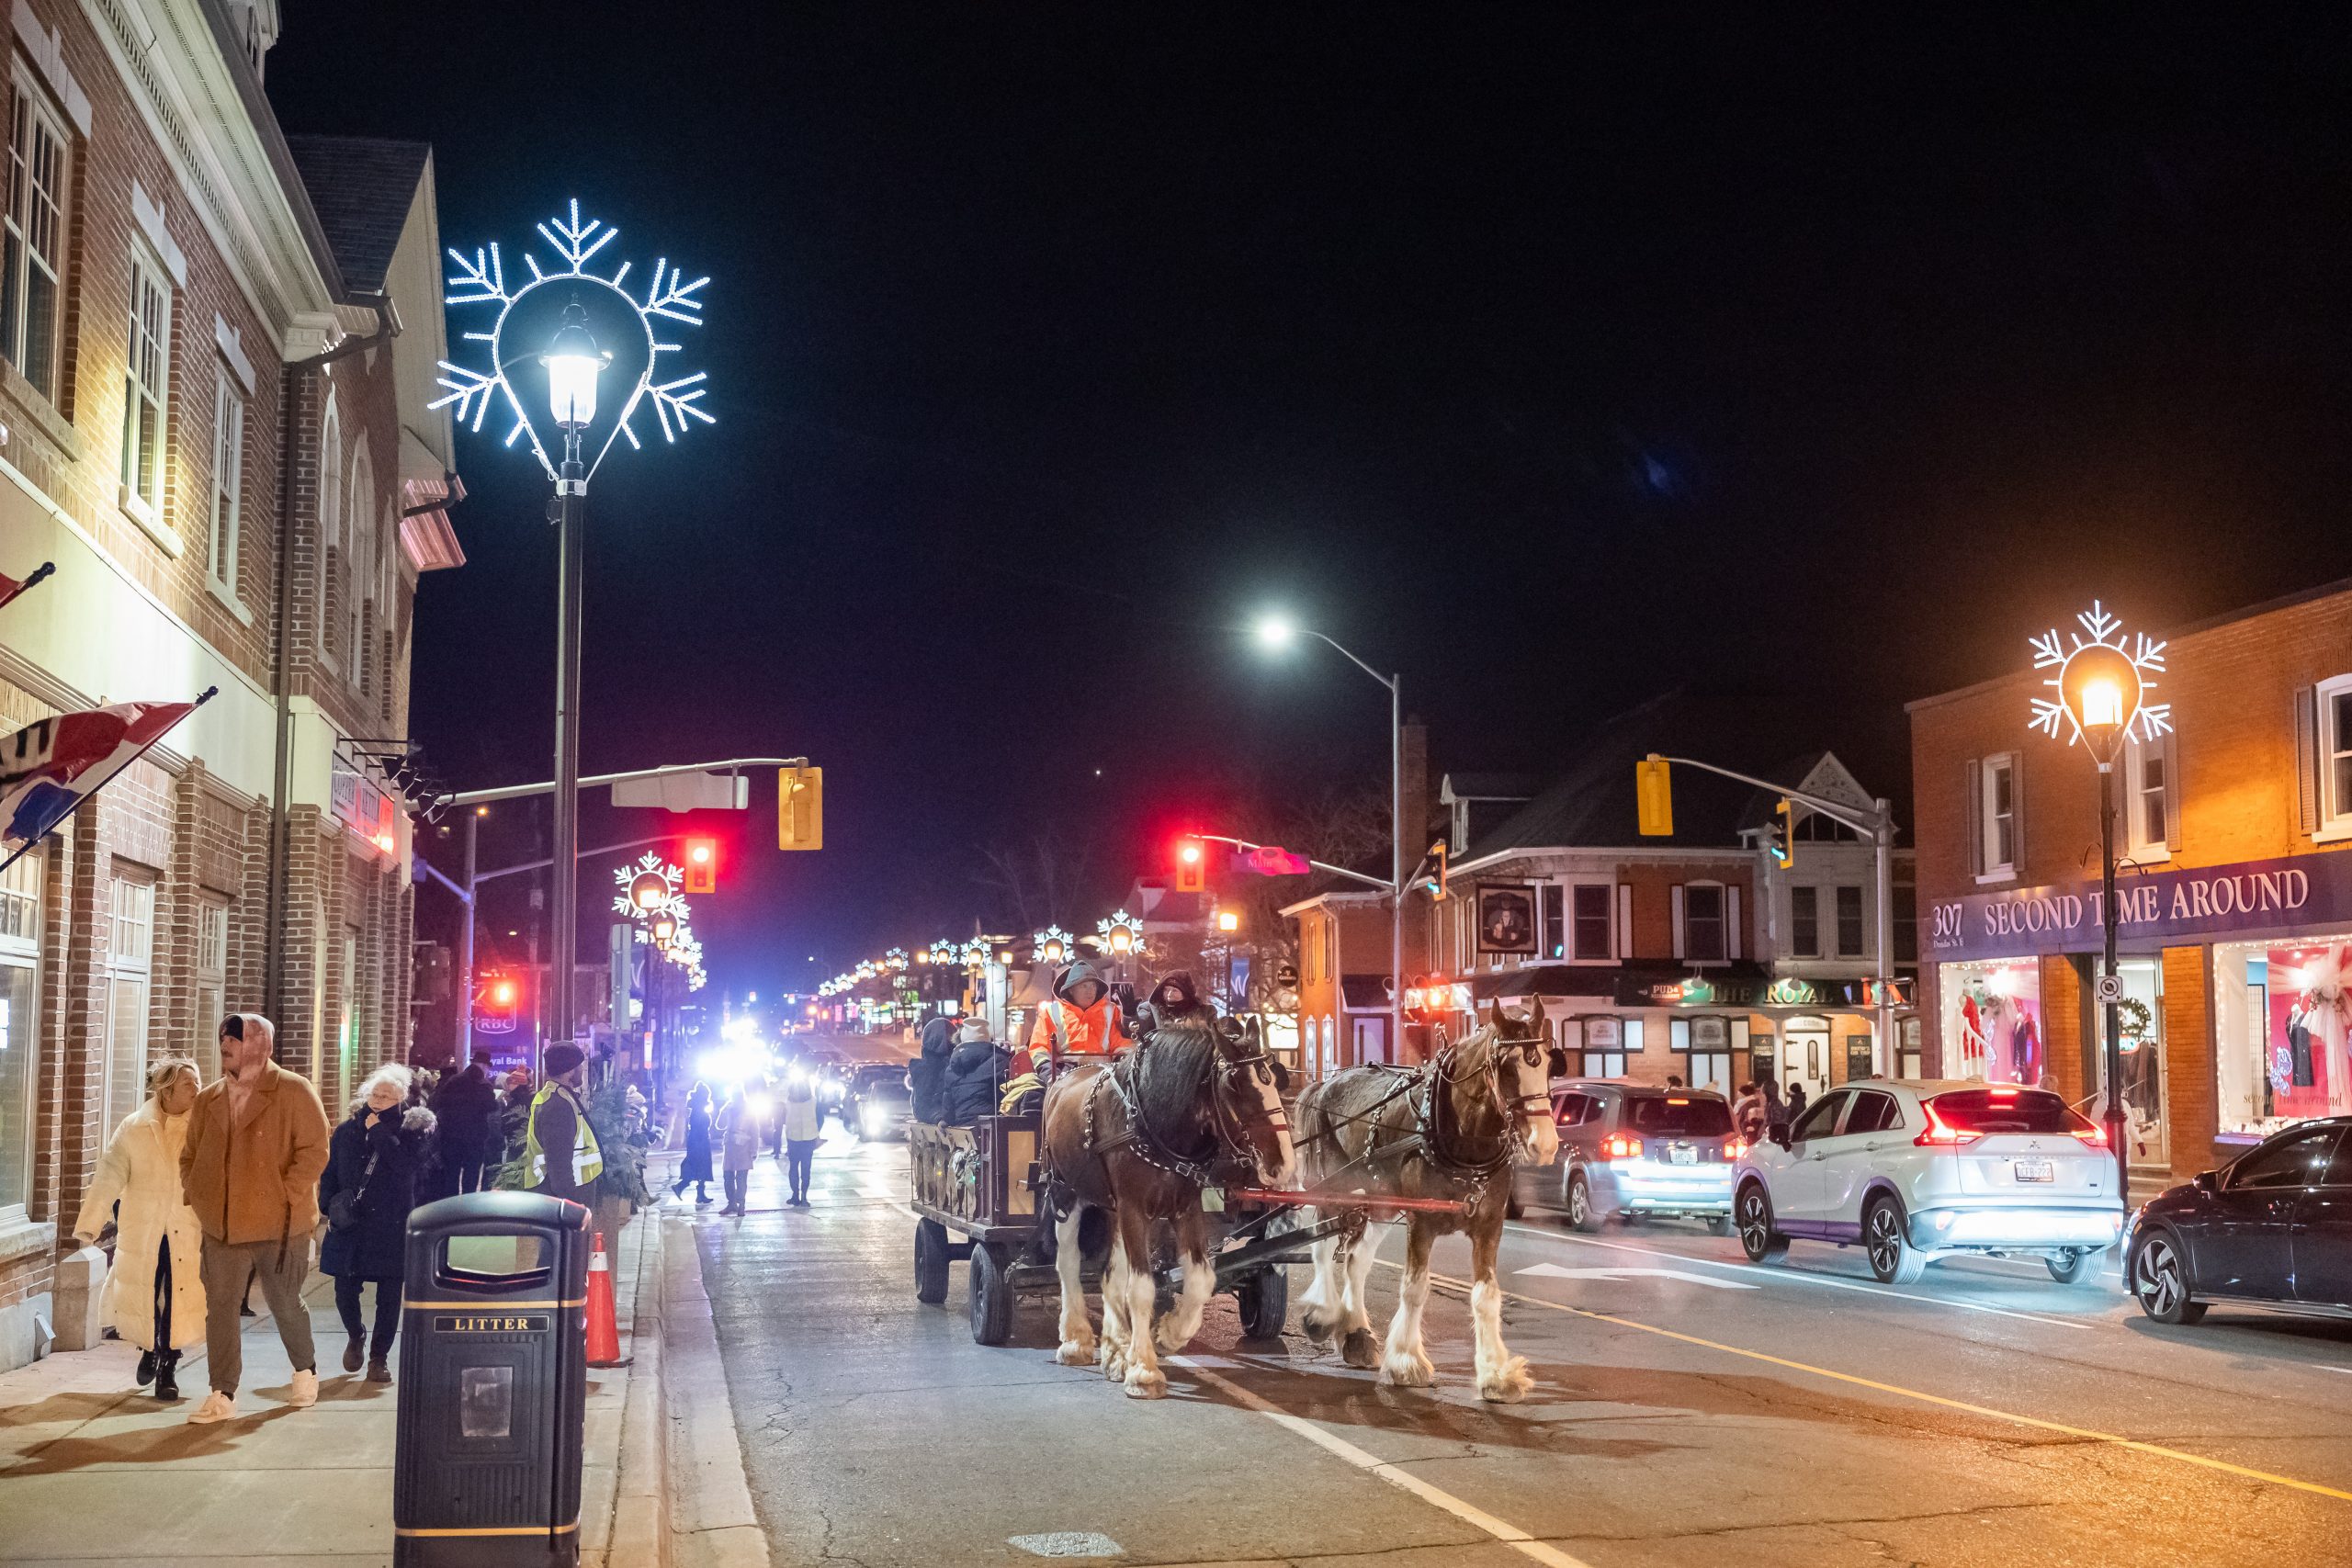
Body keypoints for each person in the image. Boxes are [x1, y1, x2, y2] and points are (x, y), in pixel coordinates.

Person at [178, 1013, 331, 1425]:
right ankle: (222, 1392)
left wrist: (286, 1194)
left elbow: (315, 1150)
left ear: (260, 1044)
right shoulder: (210, 1099)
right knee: (221, 1307)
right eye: (224, 1038)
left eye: (236, 1038)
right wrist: (198, 1193)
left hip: (280, 1226)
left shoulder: (294, 1091)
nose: (226, 1045)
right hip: (222, 1226)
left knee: (284, 1302)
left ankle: (305, 1371)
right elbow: (189, 1155)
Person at [73, 1057, 207, 1403]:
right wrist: (90, 1223)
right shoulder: (135, 1127)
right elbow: (109, 1174)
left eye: (197, 1082)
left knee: (176, 1292)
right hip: (144, 1226)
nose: (197, 1089)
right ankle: (149, 1348)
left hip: (184, 1225)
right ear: (167, 1088)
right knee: (147, 1292)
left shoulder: (203, 1128)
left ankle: (169, 1367)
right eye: (188, 1084)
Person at [319, 1065, 434, 1383]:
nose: (379, 1100)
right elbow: (329, 1173)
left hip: (391, 1222)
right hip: (351, 1224)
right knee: (344, 1288)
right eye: (375, 1094)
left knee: (389, 1294)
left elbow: (407, 1169)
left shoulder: (411, 1131)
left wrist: (380, 1133)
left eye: (387, 1096)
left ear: (400, 1099)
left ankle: (379, 1358)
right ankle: (355, 1334)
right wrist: (327, 1204)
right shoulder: (346, 1130)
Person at [1004, 960, 1133, 1110]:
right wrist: (1051, 1077)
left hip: (1104, 1073)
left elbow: (1122, 1045)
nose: (1090, 990)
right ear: (1071, 989)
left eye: (1093, 985)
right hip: (1065, 1074)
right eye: (1084, 986)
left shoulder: (1112, 1011)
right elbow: (1039, 1049)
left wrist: (1123, 1068)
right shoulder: (1051, 1013)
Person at [525, 1043, 602, 1211]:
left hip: (555, 1196)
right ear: (569, 1070)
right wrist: (573, 1205)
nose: (582, 1069)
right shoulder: (558, 1105)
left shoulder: (556, 1096)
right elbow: (559, 1163)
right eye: (579, 1065)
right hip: (562, 1201)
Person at [428, 1057, 502, 1194]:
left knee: (451, 1173)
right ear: (483, 1066)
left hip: (451, 1136)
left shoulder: (453, 1081)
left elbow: (439, 1102)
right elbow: (491, 1106)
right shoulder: (483, 1085)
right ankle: (468, 1206)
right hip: (475, 1137)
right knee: (471, 1174)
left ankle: (451, 1206)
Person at [714, 1083, 764, 1215]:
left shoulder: (745, 1109)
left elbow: (754, 1130)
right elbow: (719, 1125)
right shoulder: (733, 1108)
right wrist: (724, 1110)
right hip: (736, 1148)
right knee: (734, 1177)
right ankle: (735, 1204)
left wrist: (754, 1149)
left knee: (735, 1177)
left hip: (738, 1147)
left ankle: (737, 1204)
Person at [673, 1082, 716, 1205]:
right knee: (699, 1166)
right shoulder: (699, 1111)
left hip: (698, 1141)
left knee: (699, 1167)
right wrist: (701, 1142)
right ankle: (682, 1187)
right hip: (699, 1142)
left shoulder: (698, 1109)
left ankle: (699, 1194)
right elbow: (699, 1128)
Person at [781, 1073, 820, 1207]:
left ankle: (795, 1195)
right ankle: (804, 1196)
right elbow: (820, 1118)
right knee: (806, 1169)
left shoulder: (788, 1102)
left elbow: (783, 1117)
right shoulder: (814, 1101)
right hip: (809, 1139)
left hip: (793, 1139)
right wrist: (815, 1131)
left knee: (793, 1168)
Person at [1136, 971, 1214, 1038]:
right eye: (1166, 989)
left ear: (1185, 993)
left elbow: (1214, 1039)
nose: (1169, 994)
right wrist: (1130, 1015)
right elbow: (1138, 1030)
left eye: (1174, 990)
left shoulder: (1205, 1012)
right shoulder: (1150, 1009)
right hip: (1158, 1054)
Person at [908, 1015, 955, 1122]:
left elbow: (920, 1108)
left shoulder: (923, 1070)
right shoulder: (959, 1065)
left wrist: (938, 1117)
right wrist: (939, 1117)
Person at [1731, 1081, 1768, 1145]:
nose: (1738, 1095)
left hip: (1747, 1134)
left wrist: (1750, 1128)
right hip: (1745, 1133)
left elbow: (1749, 1120)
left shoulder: (1748, 1104)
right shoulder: (1743, 1104)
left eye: (1739, 1094)